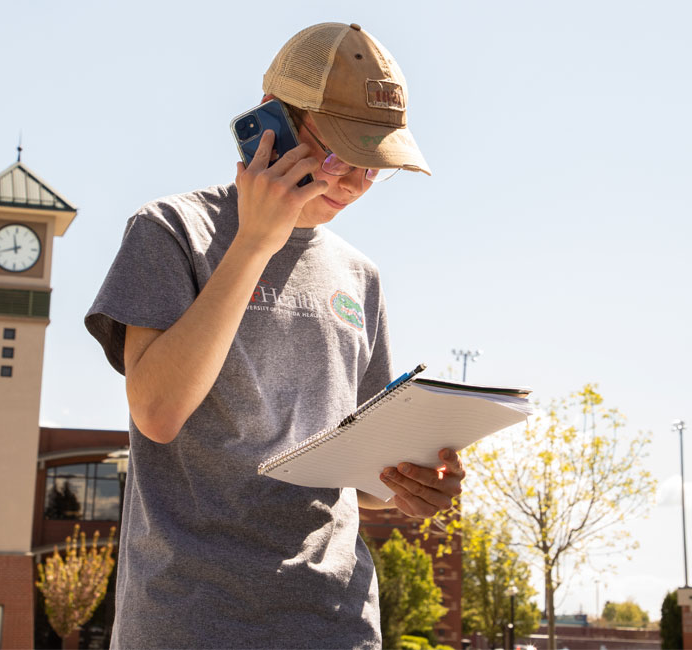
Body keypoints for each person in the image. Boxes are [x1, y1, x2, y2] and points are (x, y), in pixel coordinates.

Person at [85, 22, 465, 649]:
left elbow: (361, 474)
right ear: (271, 125)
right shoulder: (170, 231)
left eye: (375, 165)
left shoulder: (360, 278)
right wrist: (257, 242)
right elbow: (156, 410)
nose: (355, 184)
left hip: (335, 624)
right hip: (190, 624)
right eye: (343, 154)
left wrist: (410, 487)